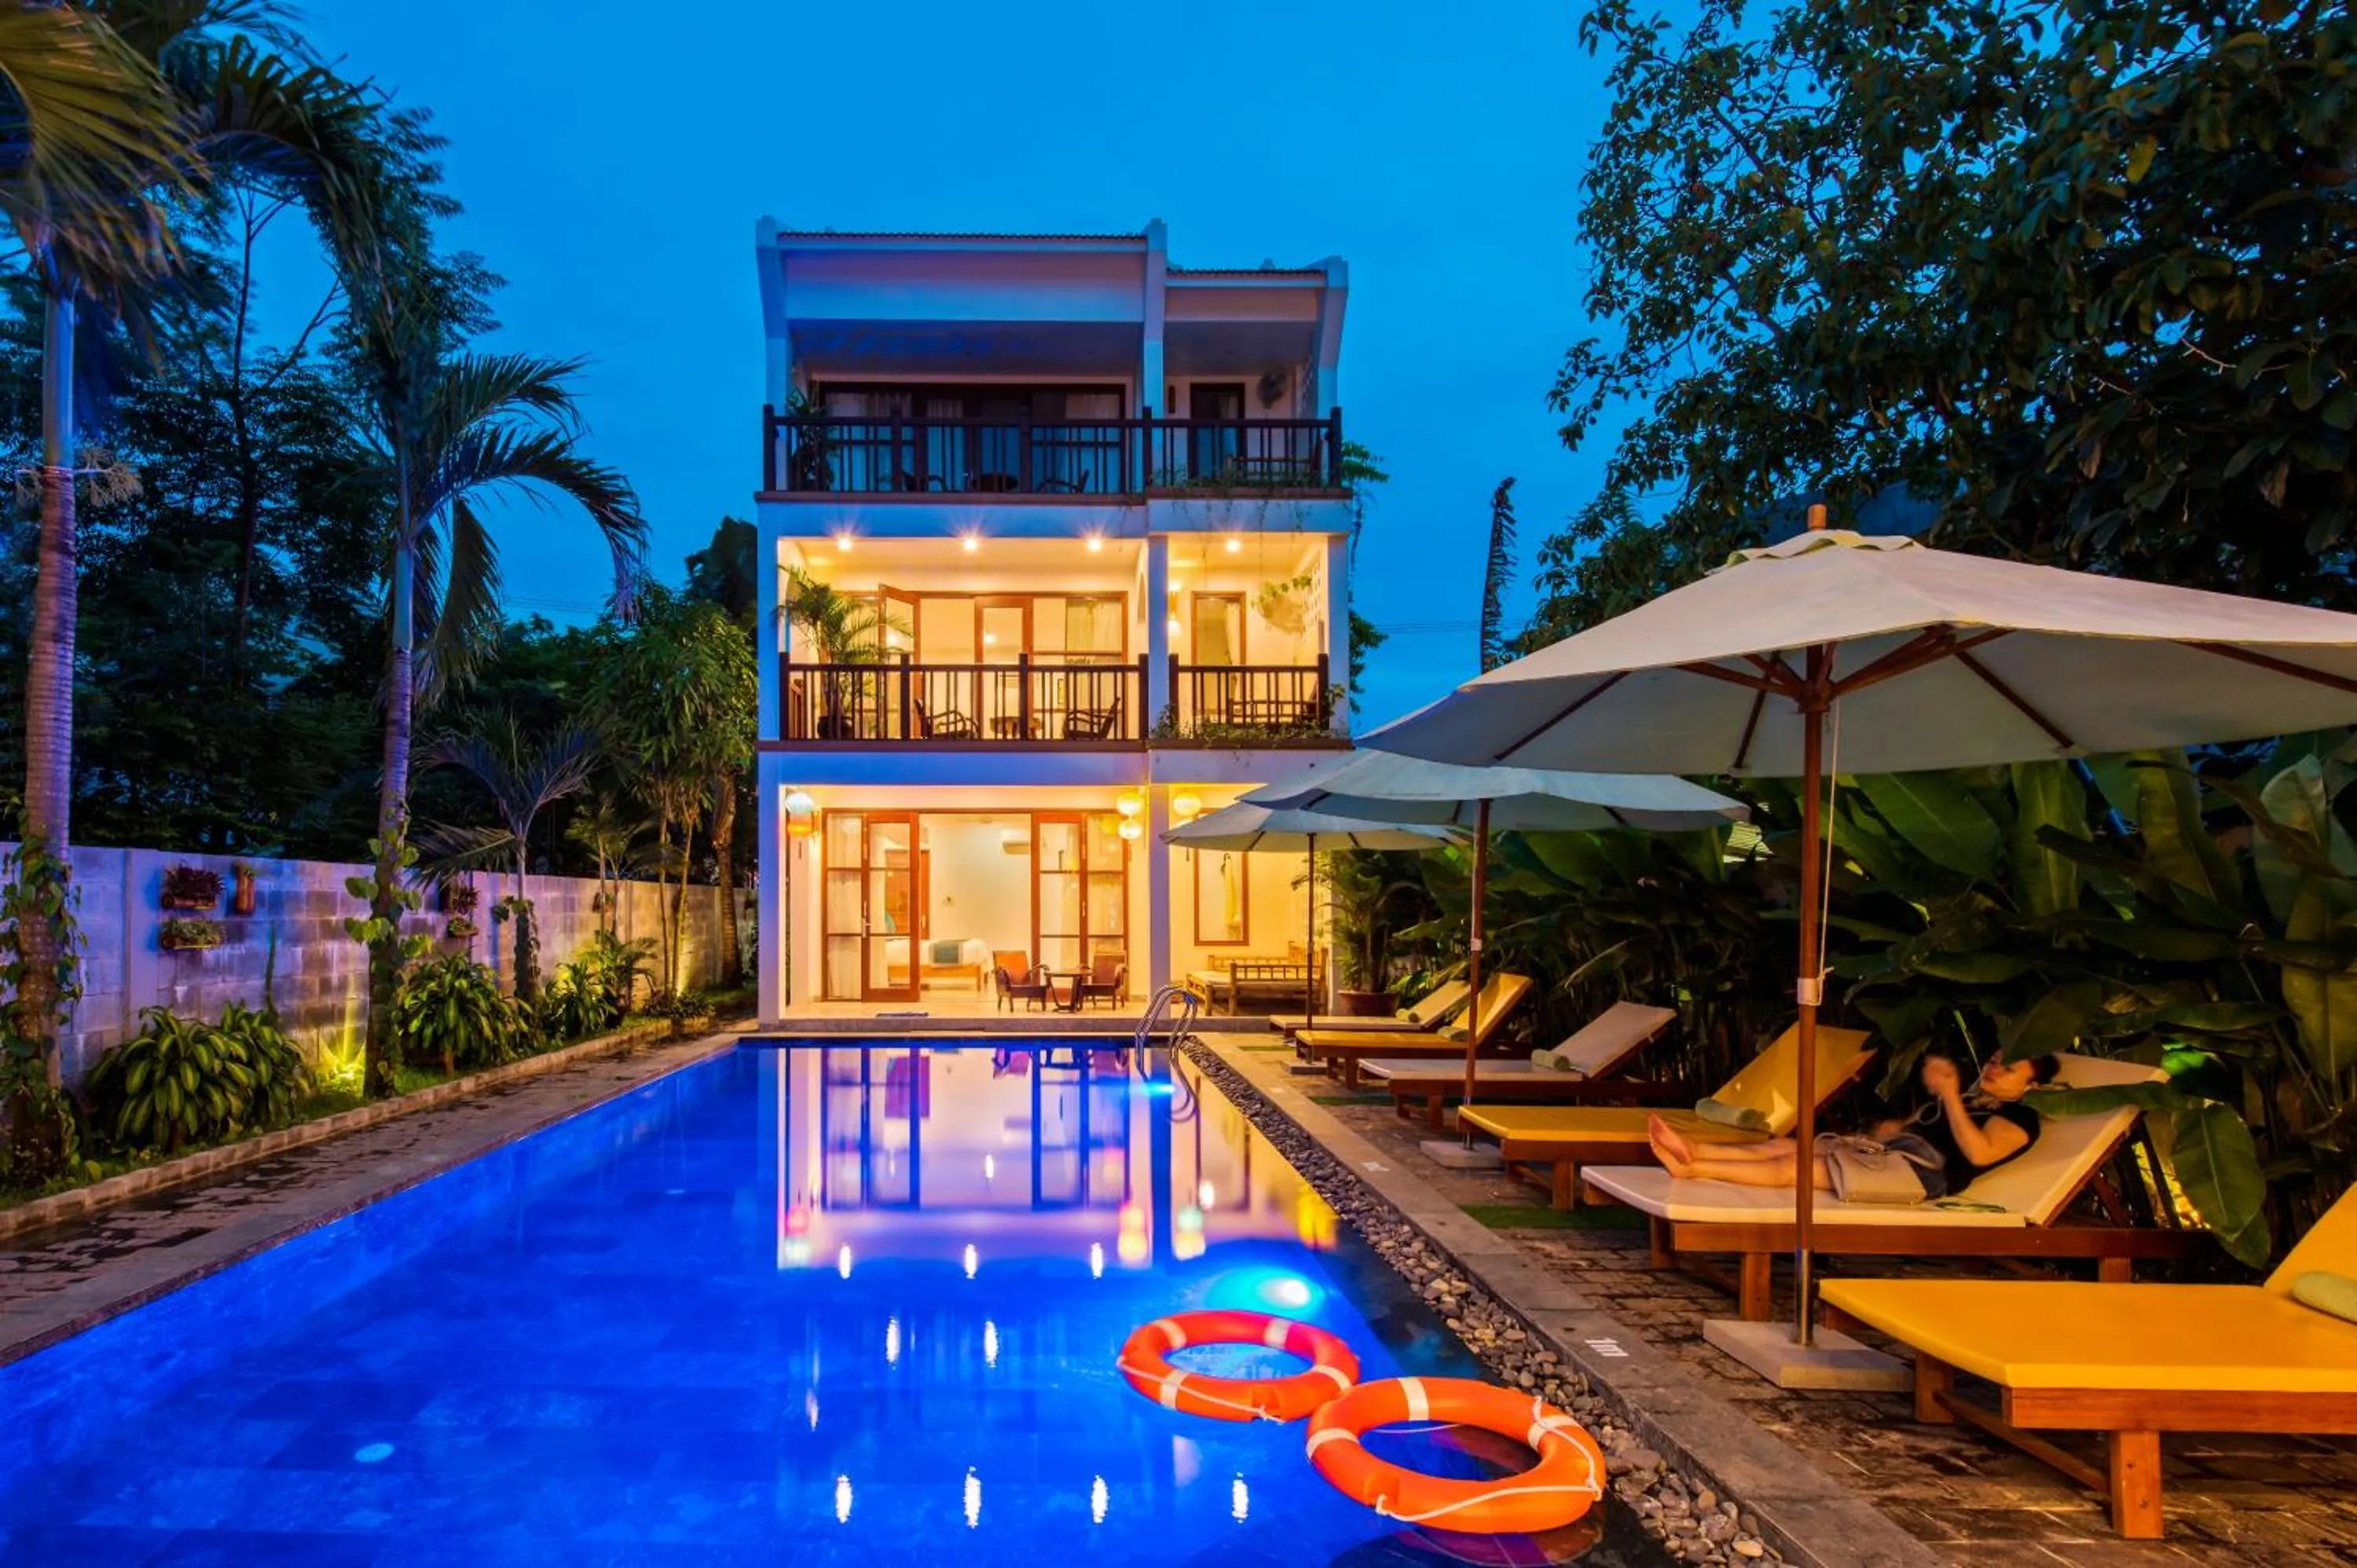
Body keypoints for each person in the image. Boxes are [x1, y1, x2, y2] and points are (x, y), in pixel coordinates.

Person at [1647, 1050, 2062, 1201]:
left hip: (1920, 1178)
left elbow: (1978, 1153)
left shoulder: (2021, 1119)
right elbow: (1926, 1126)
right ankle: (1696, 1149)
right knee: (1793, 1148)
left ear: (2032, 1086)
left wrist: (1952, 1095)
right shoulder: (1976, 1100)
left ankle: (1691, 1168)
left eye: (2008, 1070)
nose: (1993, 1070)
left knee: (1796, 1173)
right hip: (1895, 1156)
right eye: (1993, 1061)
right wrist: (1888, 1130)